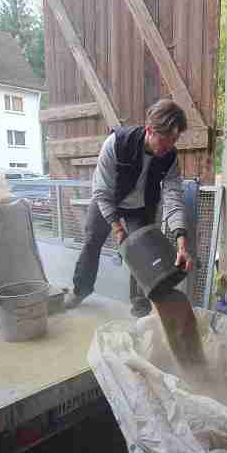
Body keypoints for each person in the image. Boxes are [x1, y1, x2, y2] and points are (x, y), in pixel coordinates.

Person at [65, 98, 194, 317]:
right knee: (92, 241)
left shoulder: (170, 157)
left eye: (174, 141)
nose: (169, 147)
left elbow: (173, 197)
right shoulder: (116, 143)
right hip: (108, 199)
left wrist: (182, 243)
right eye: (164, 140)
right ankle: (80, 289)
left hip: (140, 206)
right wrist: (117, 228)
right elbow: (101, 191)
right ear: (149, 130)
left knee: (142, 252)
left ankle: (140, 304)